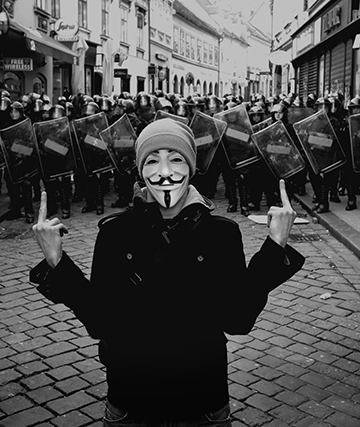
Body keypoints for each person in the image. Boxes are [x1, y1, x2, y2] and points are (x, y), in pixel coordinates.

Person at [30, 118, 305, 426]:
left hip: (202, 399)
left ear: (190, 167)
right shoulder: (116, 232)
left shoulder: (221, 233)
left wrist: (274, 247)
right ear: (140, 170)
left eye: (175, 159)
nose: (164, 171)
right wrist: (57, 261)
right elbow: (100, 321)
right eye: (152, 161)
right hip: (132, 398)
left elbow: (237, 319)